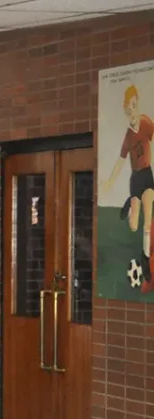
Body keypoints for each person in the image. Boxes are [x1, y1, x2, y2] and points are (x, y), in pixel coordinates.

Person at [101, 84, 154, 292]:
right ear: (125, 110)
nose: (133, 110)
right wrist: (109, 182)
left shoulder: (145, 123)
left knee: (147, 223)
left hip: (148, 176)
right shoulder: (127, 137)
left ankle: (145, 259)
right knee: (133, 225)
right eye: (129, 107)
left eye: (135, 105)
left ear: (137, 104)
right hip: (135, 180)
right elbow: (120, 163)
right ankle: (128, 203)